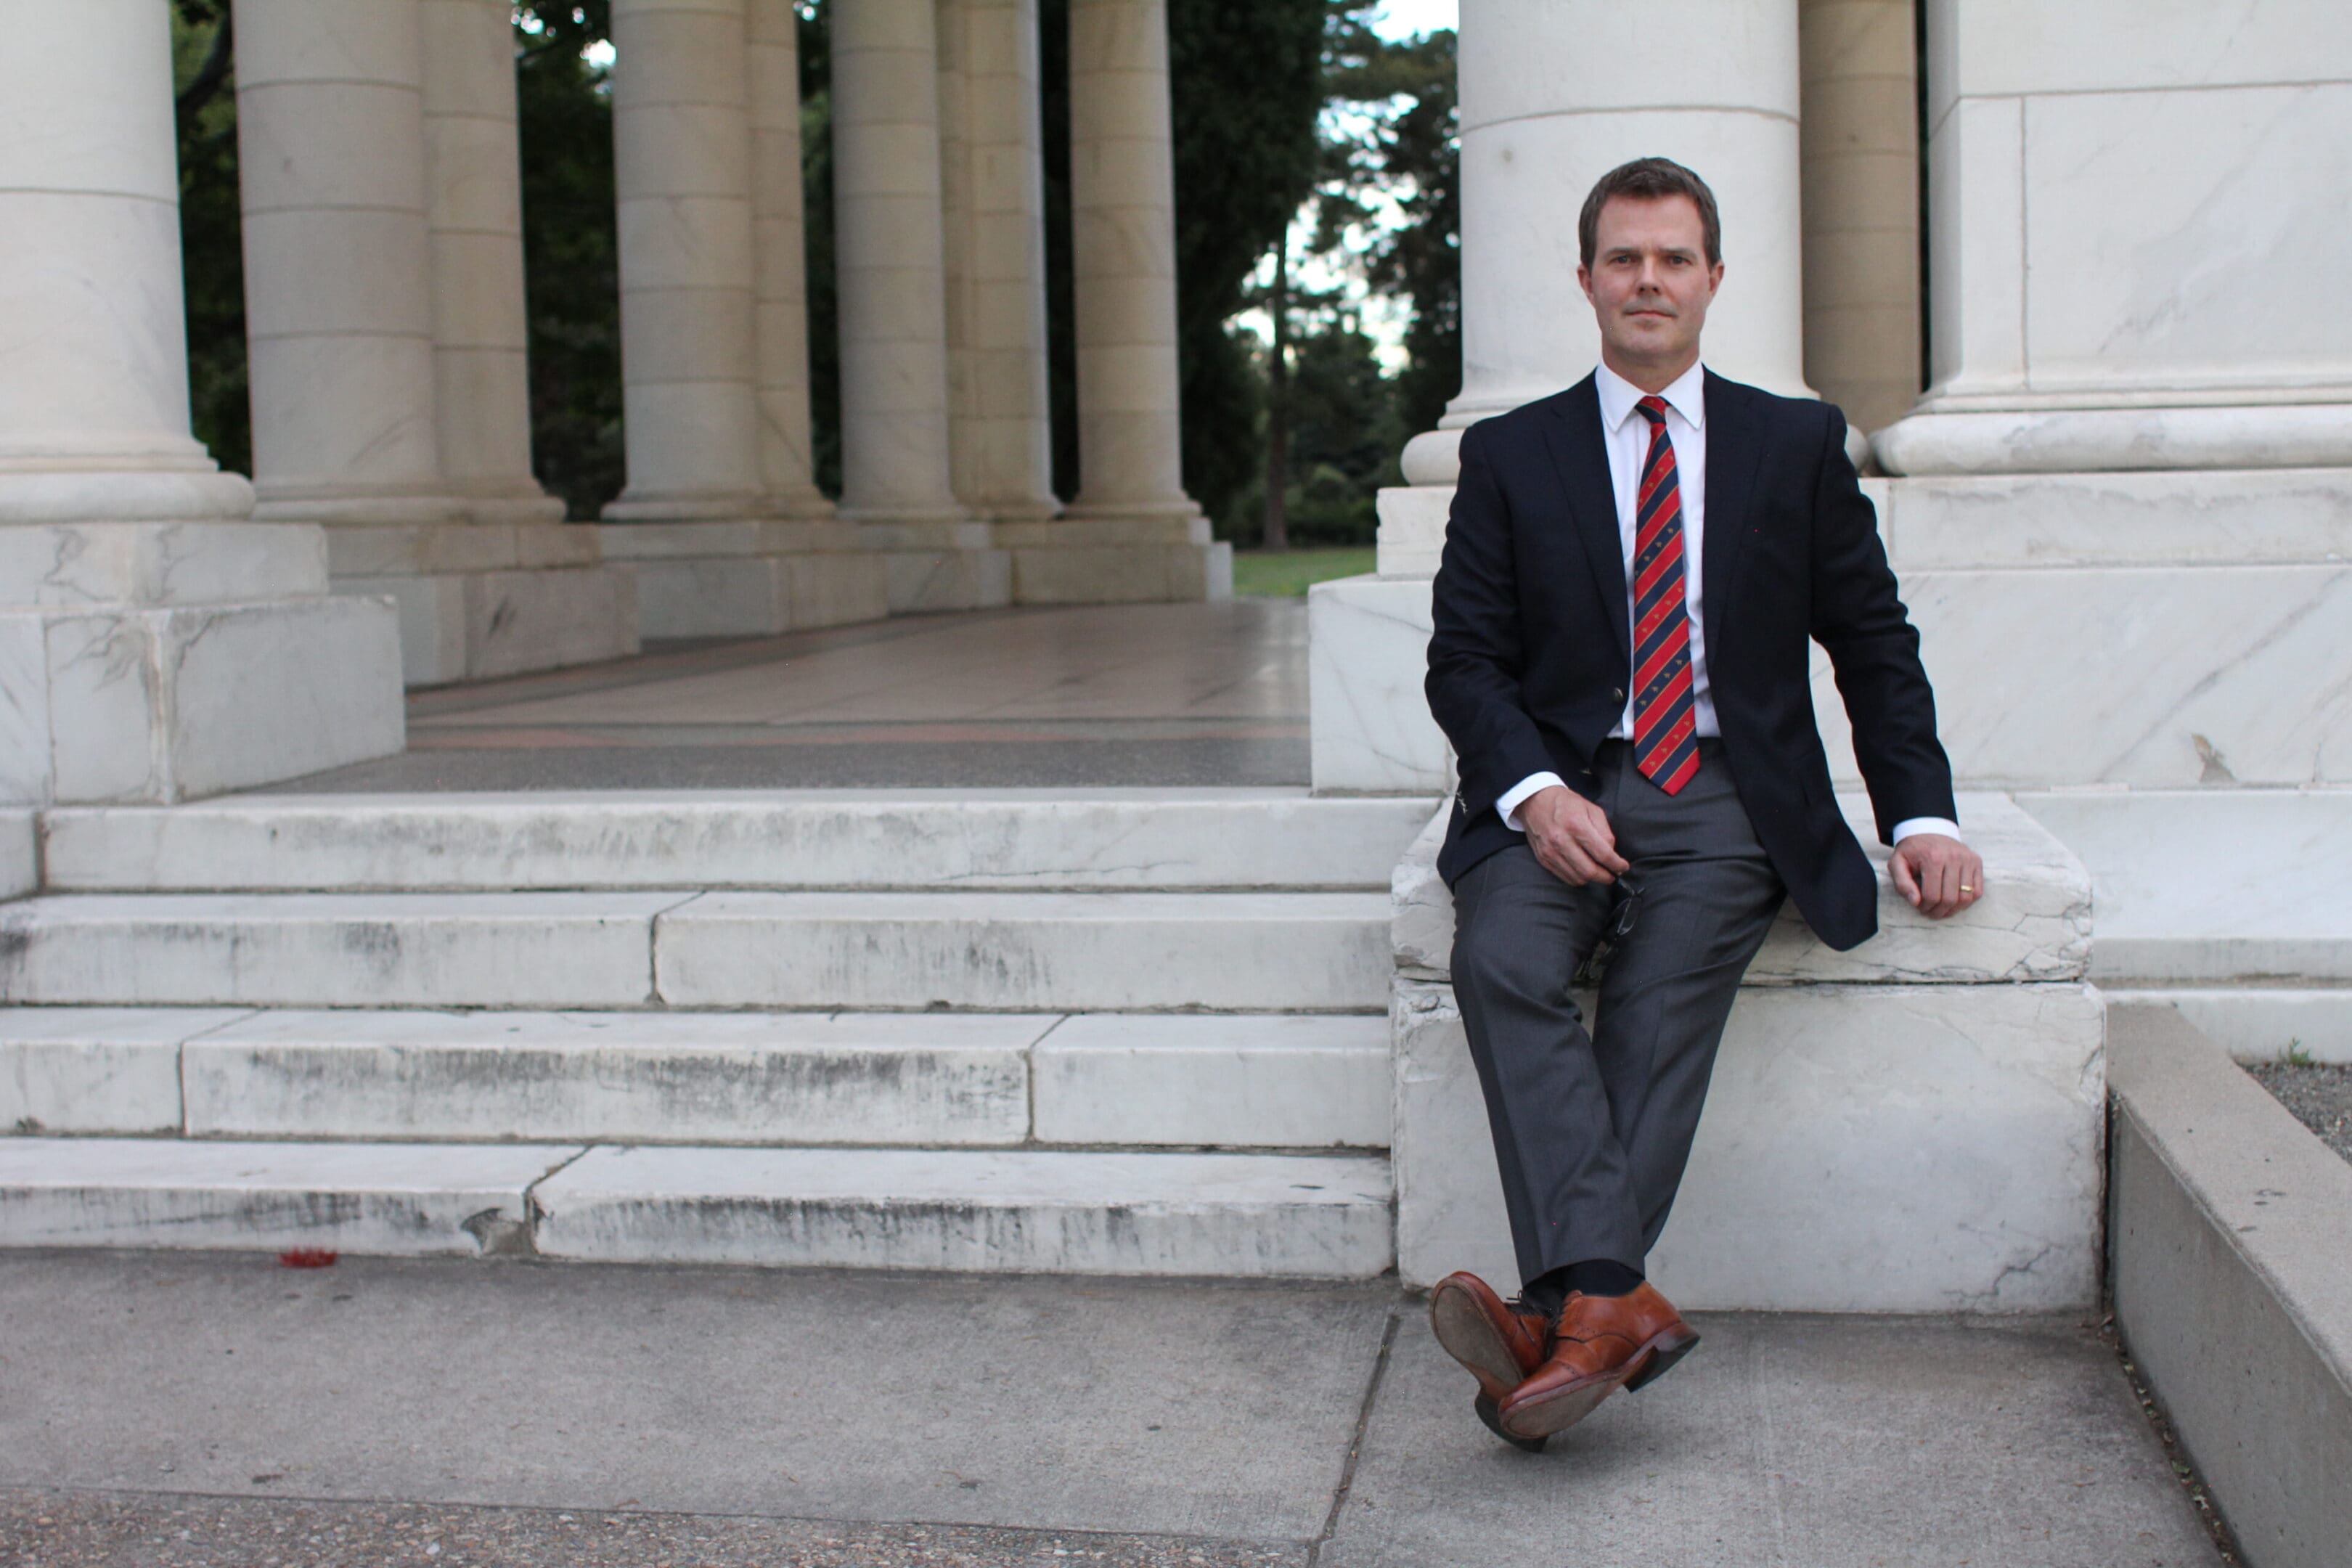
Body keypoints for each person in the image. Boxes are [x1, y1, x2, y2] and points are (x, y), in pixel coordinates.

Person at [1421, 156, 1985, 1450]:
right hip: (1569, 785)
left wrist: (1921, 815)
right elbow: (1466, 659)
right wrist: (1536, 789)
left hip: (1729, 795)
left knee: (1659, 1001)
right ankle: (1609, 1310)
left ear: (1715, 279)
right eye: (1624, 258)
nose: (1649, 282)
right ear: (1586, 281)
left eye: (1674, 259)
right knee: (1501, 958)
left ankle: (1556, 1317)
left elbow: (1873, 640)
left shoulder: (1792, 444)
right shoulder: (1513, 454)